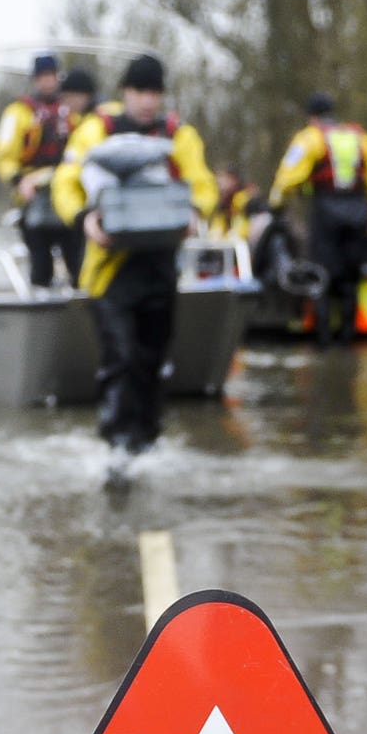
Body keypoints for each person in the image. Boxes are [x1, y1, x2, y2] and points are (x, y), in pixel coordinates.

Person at [52, 54, 217, 469]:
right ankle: (116, 444)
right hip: (111, 270)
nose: (147, 100)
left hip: (160, 266)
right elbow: (65, 184)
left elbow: (202, 185)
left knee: (152, 358)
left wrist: (195, 214)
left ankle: (147, 441)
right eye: (140, 91)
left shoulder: (180, 136)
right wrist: (84, 219)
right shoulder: (95, 132)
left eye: (155, 92)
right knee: (120, 356)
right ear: (125, 92)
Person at [269, 92, 367, 344]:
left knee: (322, 274)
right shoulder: (361, 138)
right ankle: (347, 339)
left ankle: (323, 340)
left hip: (326, 211)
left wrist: (276, 204)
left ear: (312, 116)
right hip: (358, 211)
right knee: (350, 277)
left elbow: (287, 177)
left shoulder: (310, 138)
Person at [0, 54, 91, 289]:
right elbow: (3, 156)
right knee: (40, 265)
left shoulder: (73, 110)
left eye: (52, 76)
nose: (48, 82)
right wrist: (19, 180)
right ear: (35, 80)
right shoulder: (18, 112)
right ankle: (41, 304)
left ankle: (80, 308)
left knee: (78, 261)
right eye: (43, 77)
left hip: (69, 197)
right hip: (34, 199)